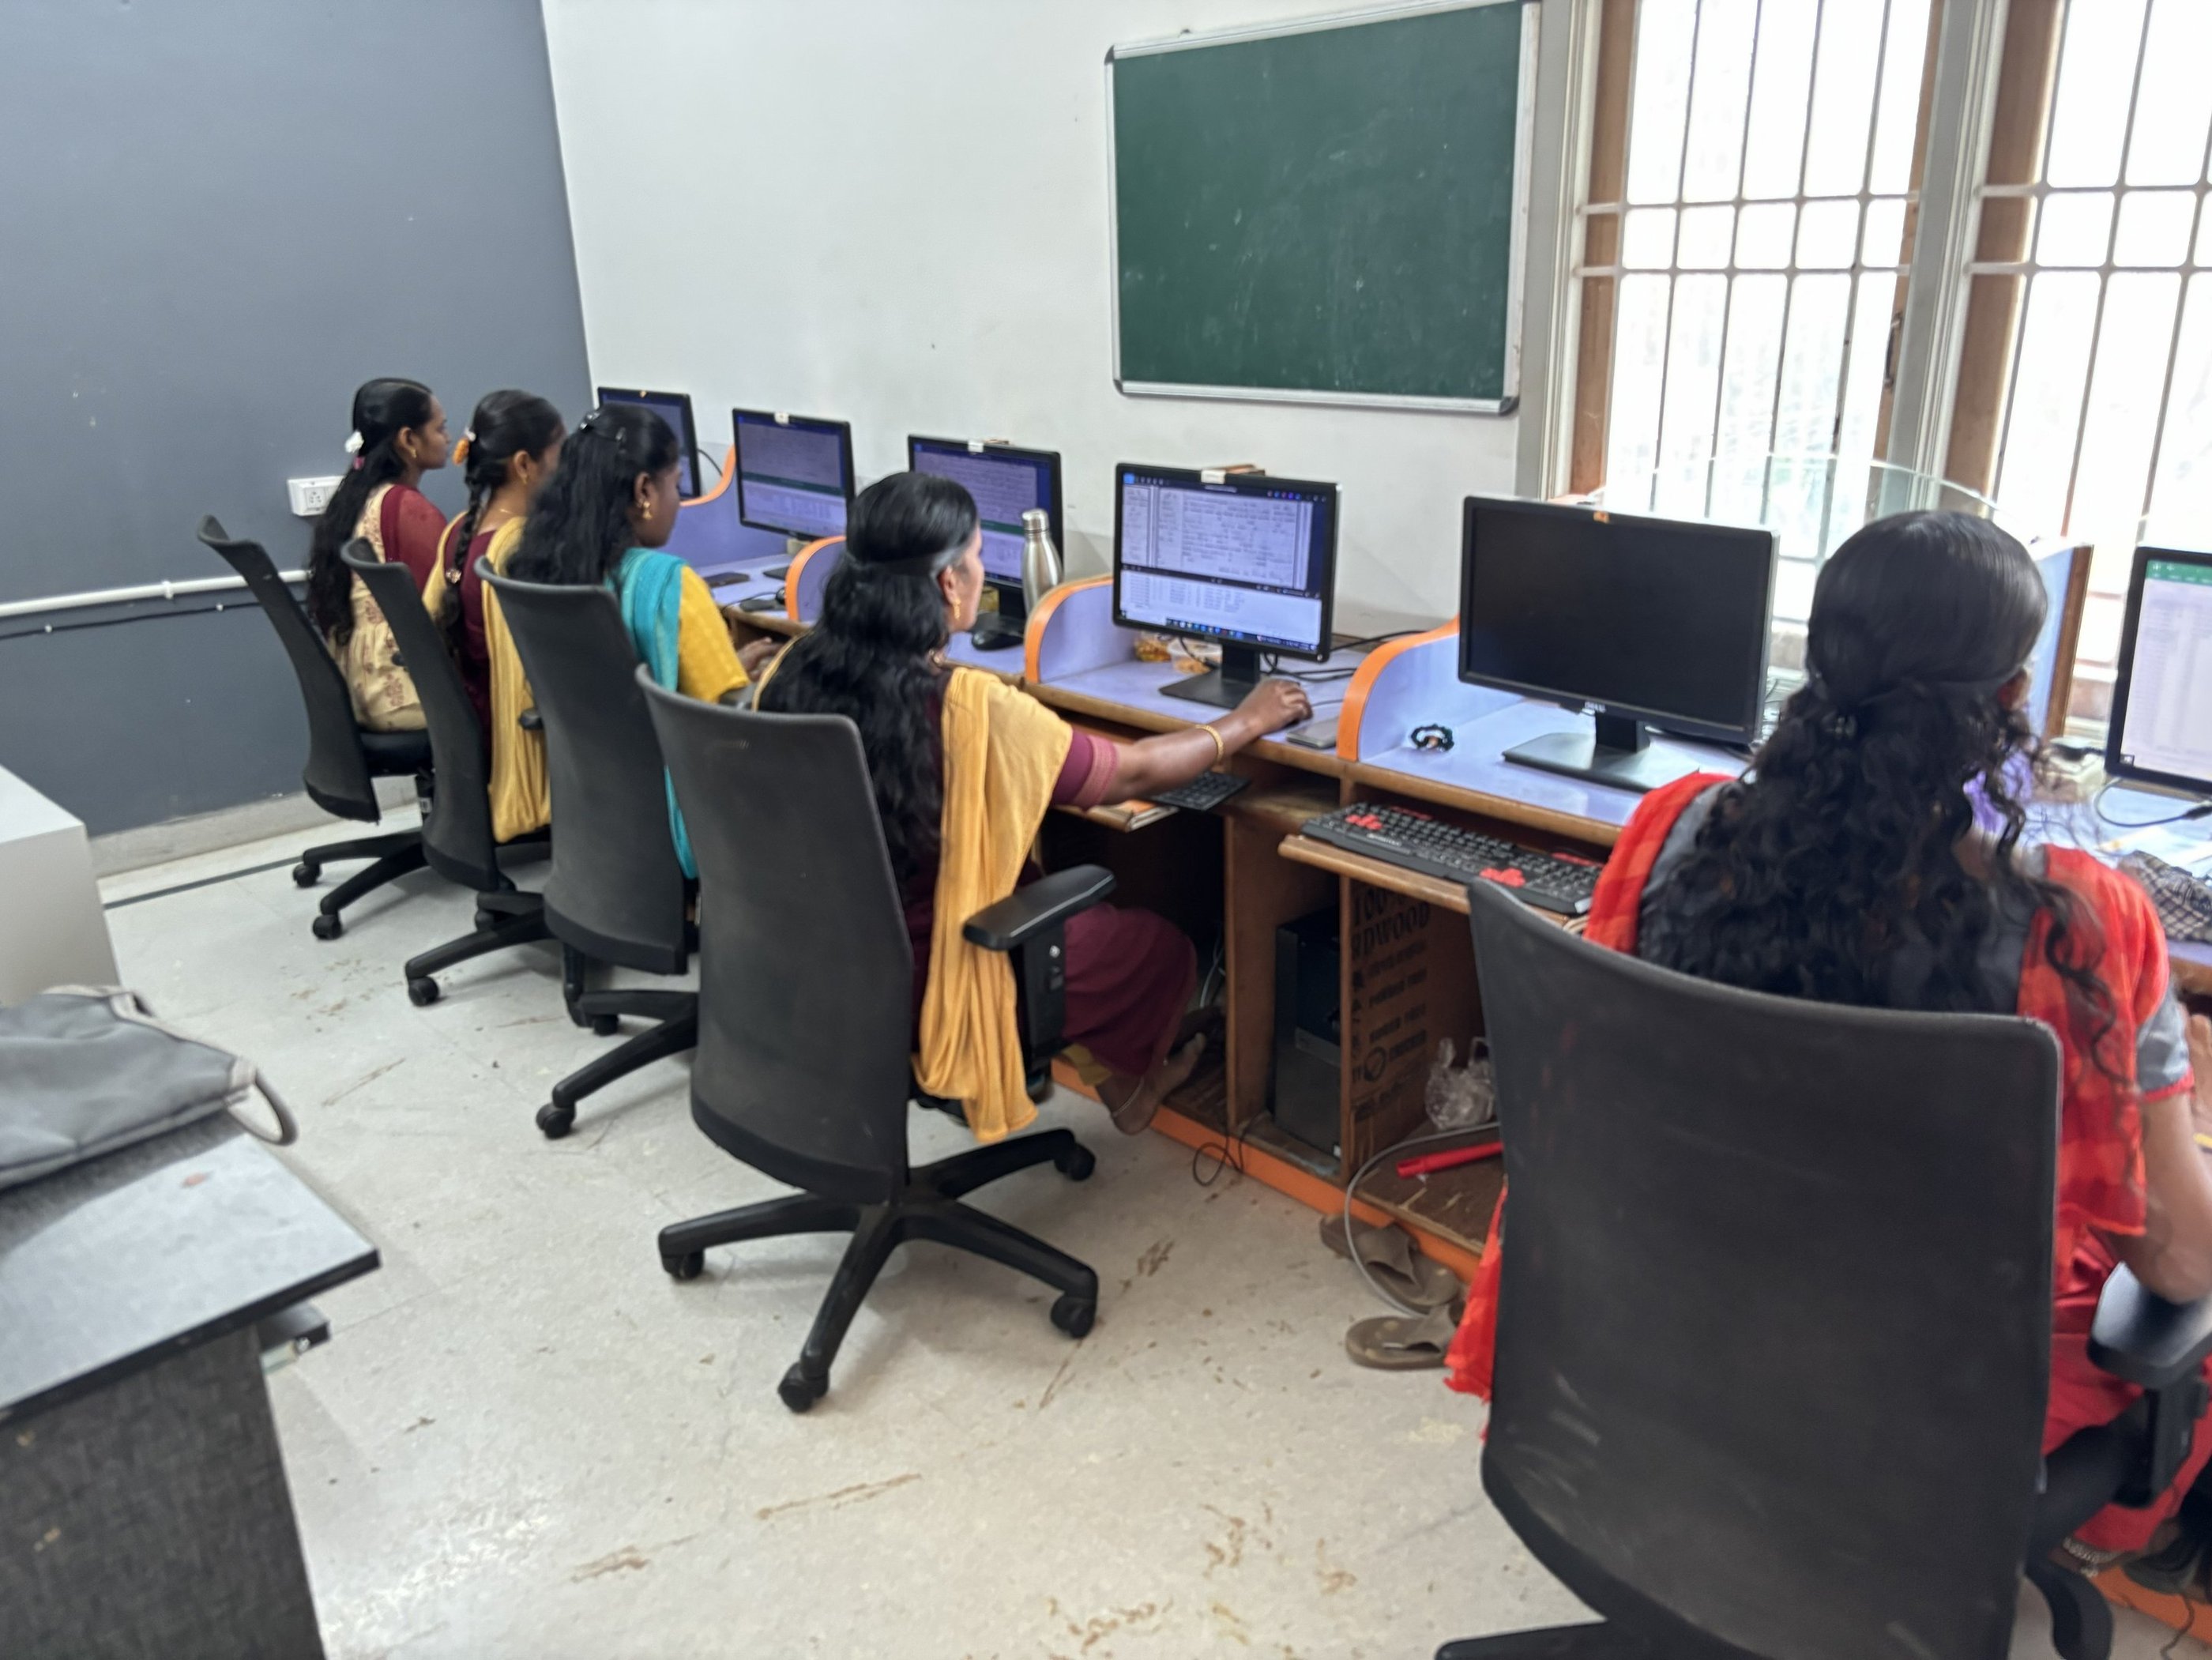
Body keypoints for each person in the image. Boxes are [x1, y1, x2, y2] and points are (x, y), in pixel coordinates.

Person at [1443, 510, 2212, 1568]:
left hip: (1653, 1321)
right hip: (1916, 1401)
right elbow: (2178, 1260)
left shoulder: (1674, 827)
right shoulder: (2077, 925)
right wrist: (2179, 1101)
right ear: (2011, 698)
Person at [757, 471, 1312, 1142]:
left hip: (819, 966)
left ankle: (1122, 1090)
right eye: (977, 554)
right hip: (947, 981)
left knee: (1028, 883)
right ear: (949, 583)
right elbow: (1131, 773)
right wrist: (1246, 722)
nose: (981, 569)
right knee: (1162, 949)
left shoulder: (791, 671)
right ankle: (1135, 1083)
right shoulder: (969, 707)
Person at [509, 402, 774, 871]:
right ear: (644, 490)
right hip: (679, 809)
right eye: (676, 485)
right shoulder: (667, 581)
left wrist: (726, 662)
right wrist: (770, 679)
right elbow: (726, 716)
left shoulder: (545, 563)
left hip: (595, 806)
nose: (679, 502)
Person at [435, 392, 564, 838]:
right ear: (525, 465)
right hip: (512, 730)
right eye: (560, 454)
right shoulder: (517, 549)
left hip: (474, 714)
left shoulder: (461, 530)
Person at [304, 378, 451, 730]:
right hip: (405, 695)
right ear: (408, 439)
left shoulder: (355, 497)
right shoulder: (408, 509)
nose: (448, 439)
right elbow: (445, 606)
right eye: (440, 428)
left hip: (363, 687)